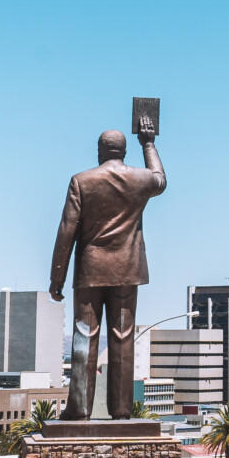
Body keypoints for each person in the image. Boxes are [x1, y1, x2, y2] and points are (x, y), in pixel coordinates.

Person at [50, 120, 165, 421]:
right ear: (124, 152)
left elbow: (66, 232)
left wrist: (57, 277)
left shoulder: (82, 181)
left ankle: (79, 409)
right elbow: (160, 179)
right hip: (128, 268)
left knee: (84, 335)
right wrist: (149, 143)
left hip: (90, 269)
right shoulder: (140, 179)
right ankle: (122, 411)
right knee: (123, 337)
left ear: (100, 151)